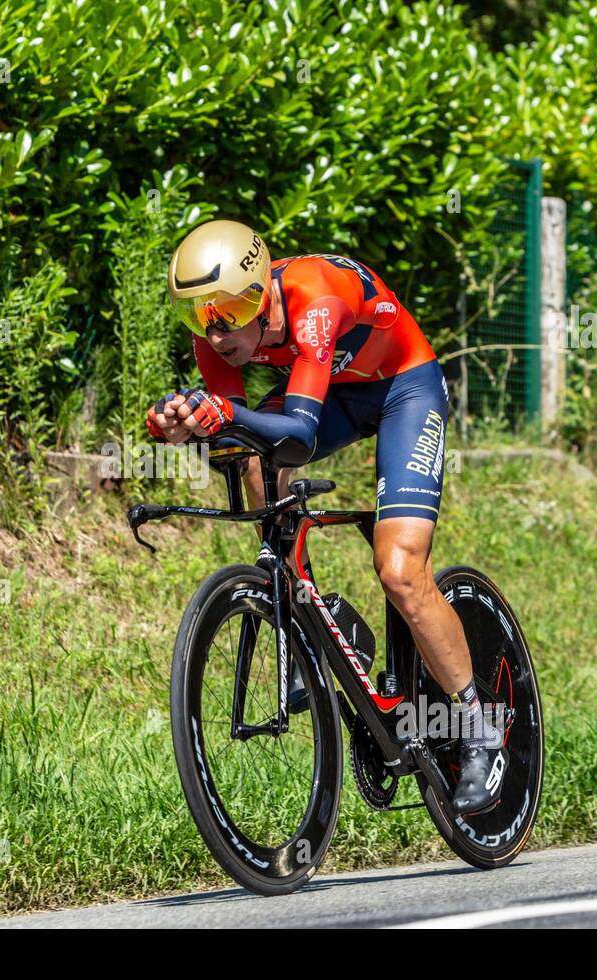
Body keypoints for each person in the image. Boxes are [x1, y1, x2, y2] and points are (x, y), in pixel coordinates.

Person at [146, 219, 503, 815]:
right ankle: (315, 610)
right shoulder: (214, 332)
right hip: (334, 389)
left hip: (403, 390)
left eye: (231, 310)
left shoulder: (316, 299)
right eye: (198, 316)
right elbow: (235, 439)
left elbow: (299, 433)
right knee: (256, 465)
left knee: (399, 570)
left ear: (261, 291)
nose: (218, 330)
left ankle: (479, 727)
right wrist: (183, 427)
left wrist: (221, 414)